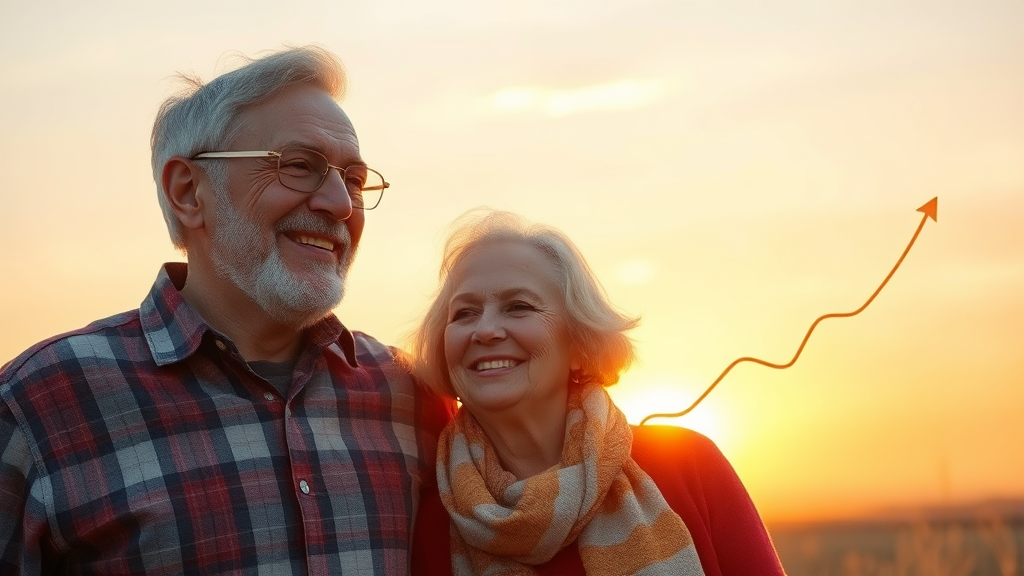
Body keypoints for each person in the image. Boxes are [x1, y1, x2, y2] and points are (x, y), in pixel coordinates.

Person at [0, 46, 452, 575]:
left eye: (353, 179)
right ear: (188, 192)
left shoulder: (411, 396)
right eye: (299, 167)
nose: (340, 204)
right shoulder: (39, 405)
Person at [407, 211, 785, 576]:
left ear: (580, 343)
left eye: (518, 306)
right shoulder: (429, 522)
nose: (485, 330)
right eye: (464, 313)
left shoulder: (687, 466)